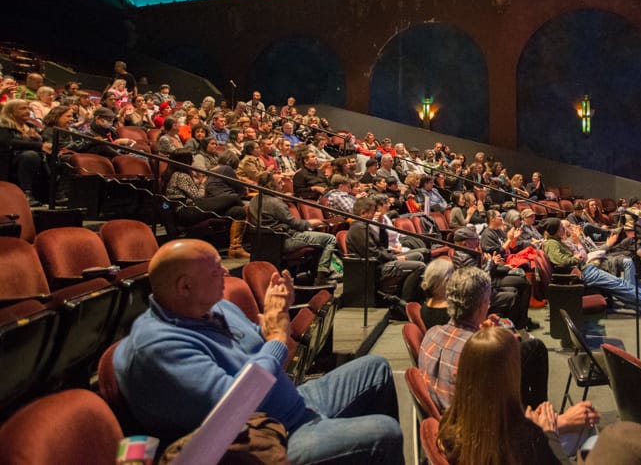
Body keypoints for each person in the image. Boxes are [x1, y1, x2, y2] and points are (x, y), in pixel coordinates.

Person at [113, 239, 403, 463]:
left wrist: (278, 312)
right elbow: (239, 405)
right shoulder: (158, 347)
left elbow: (259, 341)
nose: (226, 271)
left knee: (374, 369)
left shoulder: (216, 307)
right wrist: (277, 337)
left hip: (292, 400)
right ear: (185, 286)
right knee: (383, 432)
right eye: (215, 269)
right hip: (265, 435)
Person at [419, 266, 594, 424]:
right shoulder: (479, 354)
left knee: (531, 348)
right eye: (488, 301)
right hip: (478, 441)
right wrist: (560, 422)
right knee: (581, 428)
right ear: (481, 306)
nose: (489, 306)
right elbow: (502, 421)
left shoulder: (431, 333)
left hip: (447, 420)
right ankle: (543, 412)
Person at [437, 327, 569, 465]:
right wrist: (549, 434)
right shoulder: (526, 441)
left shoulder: (448, 425)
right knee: (588, 439)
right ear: (511, 375)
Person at [540, 218, 641, 316]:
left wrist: (577, 255)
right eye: (561, 227)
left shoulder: (557, 241)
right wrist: (575, 258)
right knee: (621, 285)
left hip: (586, 269)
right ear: (555, 230)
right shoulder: (551, 244)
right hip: (584, 273)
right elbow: (561, 261)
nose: (564, 228)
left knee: (621, 285)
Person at [346, 197, 425, 302]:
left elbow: (384, 245)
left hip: (382, 260)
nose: (375, 215)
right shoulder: (359, 228)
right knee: (419, 266)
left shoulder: (365, 225)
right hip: (375, 267)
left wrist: (381, 226)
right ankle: (406, 301)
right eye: (373, 212)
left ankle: (413, 294)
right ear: (363, 212)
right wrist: (393, 258)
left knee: (418, 256)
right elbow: (372, 253)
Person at [0, 99, 50, 205]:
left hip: (34, 160)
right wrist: (38, 145)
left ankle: (55, 195)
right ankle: (25, 193)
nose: (27, 111)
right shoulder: (3, 126)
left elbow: (44, 141)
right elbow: (7, 142)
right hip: (9, 160)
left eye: (28, 108)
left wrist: (38, 139)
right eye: (23, 108)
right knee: (30, 155)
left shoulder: (30, 126)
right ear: (11, 112)